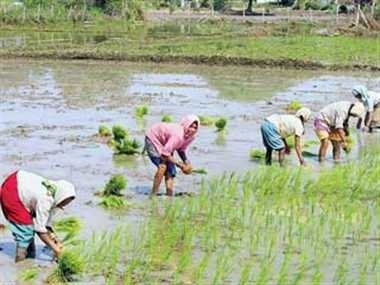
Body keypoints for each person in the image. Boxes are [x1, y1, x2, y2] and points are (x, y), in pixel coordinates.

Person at [0, 170, 76, 262]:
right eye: (63, 202)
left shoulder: (54, 192)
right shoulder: (46, 200)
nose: (63, 206)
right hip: (12, 191)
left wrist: (55, 238)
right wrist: (56, 249)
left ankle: (29, 257)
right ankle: (20, 262)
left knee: (28, 228)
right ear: (60, 196)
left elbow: (45, 224)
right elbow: (40, 229)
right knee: (25, 231)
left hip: (18, 181)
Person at [145, 115, 199, 196]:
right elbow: (165, 154)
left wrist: (187, 162)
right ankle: (153, 195)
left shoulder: (191, 137)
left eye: (195, 128)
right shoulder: (178, 136)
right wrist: (181, 165)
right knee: (162, 166)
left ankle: (169, 195)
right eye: (190, 126)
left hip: (166, 142)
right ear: (186, 124)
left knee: (171, 170)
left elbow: (181, 150)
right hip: (154, 138)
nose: (192, 130)